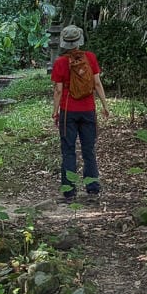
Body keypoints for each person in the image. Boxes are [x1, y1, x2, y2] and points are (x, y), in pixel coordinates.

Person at [51, 24, 109, 201]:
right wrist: (105, 105)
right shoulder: (90, 58)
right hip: (88, 110)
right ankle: (93, 188)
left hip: (68, 111)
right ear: (79, 41)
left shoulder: (60, 62)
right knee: (88, 150)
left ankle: (69, 190)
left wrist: (55, 112)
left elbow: (58, 90)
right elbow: (97, 83)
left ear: (64, 42)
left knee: (68, 151)